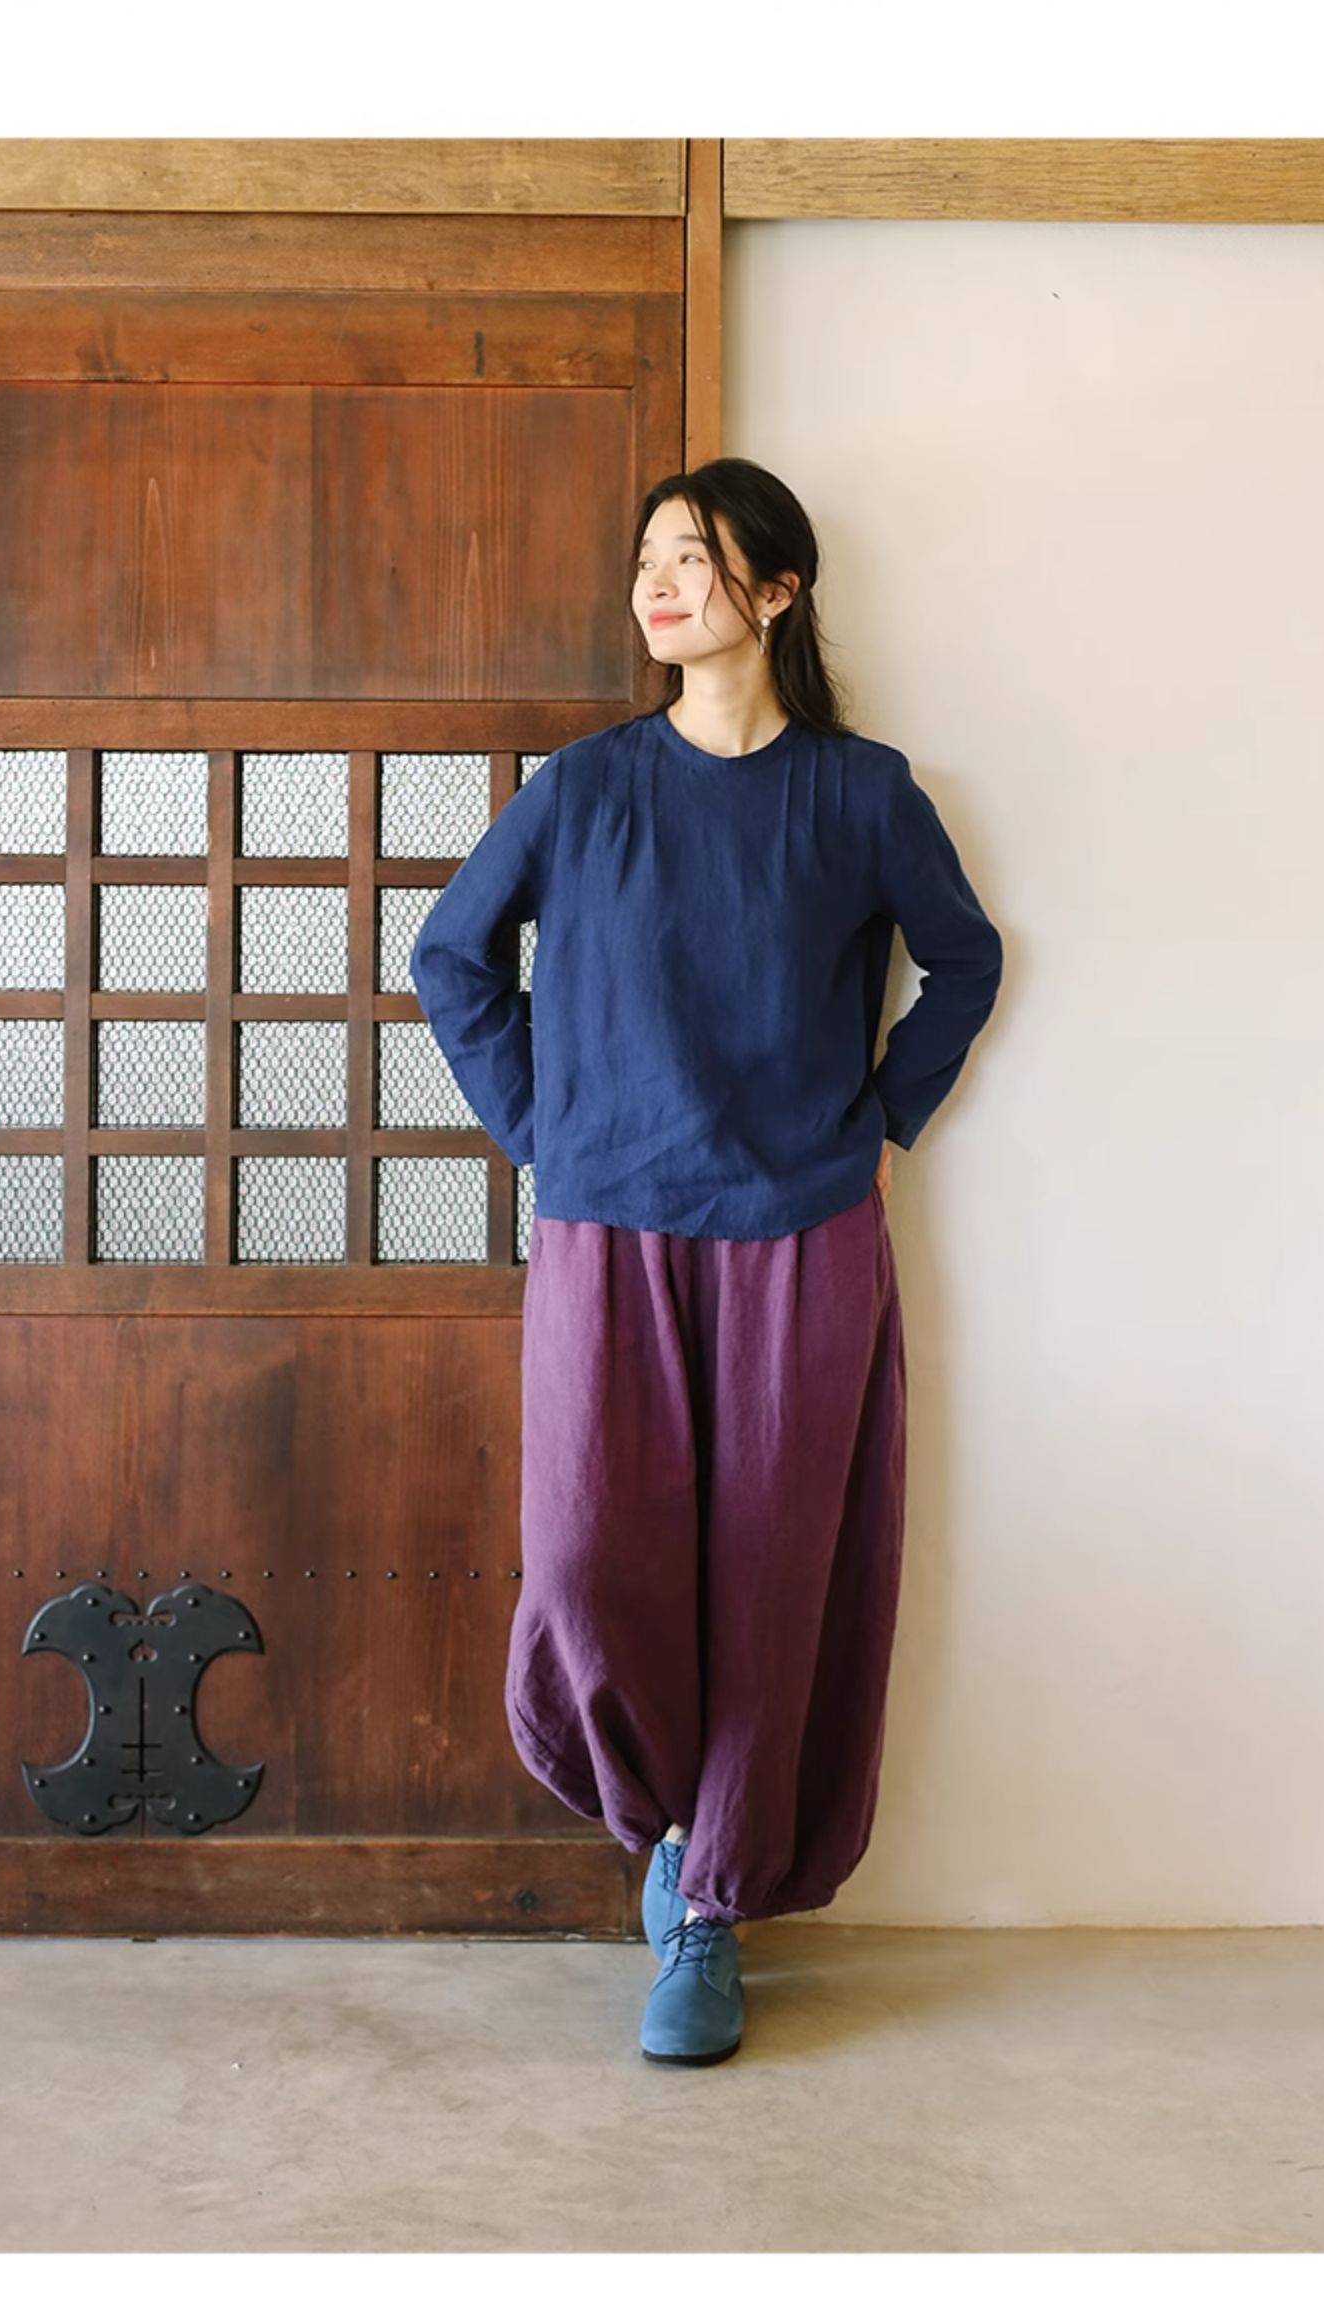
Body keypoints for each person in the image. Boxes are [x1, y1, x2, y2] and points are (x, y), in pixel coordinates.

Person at [409, 456, 1004, 2067]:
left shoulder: (862, 794)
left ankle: (712, 1905)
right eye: (649, 559)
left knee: (772, 1579)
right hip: (606, 1224)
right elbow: (451, 955)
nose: (659, 585)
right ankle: (666, 1831)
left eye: (694, 556)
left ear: (779, 588)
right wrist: (543, 1126)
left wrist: (888, 1120)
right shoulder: (585, 788)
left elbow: (964, 961)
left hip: (804, 1232)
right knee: (587, 1556)